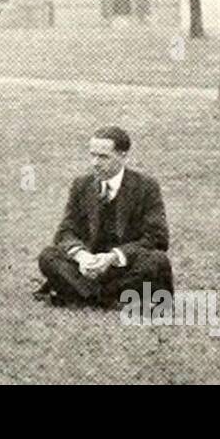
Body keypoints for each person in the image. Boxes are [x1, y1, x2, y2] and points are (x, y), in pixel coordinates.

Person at [35, 126, 174, 307]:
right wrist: (82, 256)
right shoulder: (81, 185)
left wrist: (112, 257)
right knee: (48, 255)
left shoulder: (145, 187)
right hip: (88, 268)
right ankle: (108, 299)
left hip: (124, 268)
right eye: (92, 155)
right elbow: (65, 232)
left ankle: (84, 295)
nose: (95, 163)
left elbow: (158, 238)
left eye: (103, 157)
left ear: (123, 156)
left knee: (157, 261)